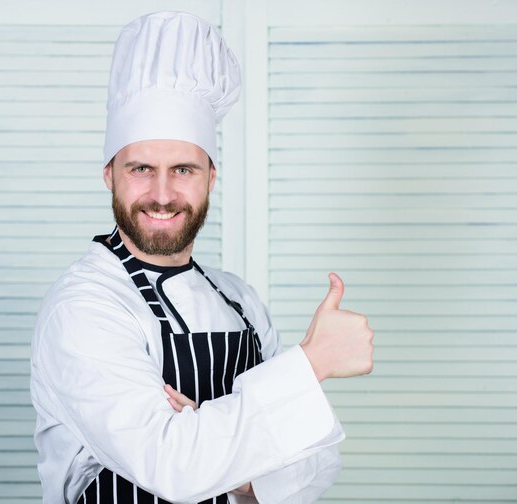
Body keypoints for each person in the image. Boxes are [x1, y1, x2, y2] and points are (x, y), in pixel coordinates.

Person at [30, 11, 374, 504]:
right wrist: (310, 363)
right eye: (142, 168)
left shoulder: (240, 301)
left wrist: (233, 467)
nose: (163, 194)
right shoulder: (83, 308)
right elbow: (172, 465)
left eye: (184, 169)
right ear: (110, 174)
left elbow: (318, 465)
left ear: (210, 177)